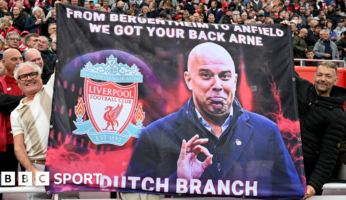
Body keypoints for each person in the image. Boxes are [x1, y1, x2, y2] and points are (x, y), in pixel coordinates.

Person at [124, 42, 304, 197]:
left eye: (224, 76)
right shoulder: (155, 134)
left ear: (234, 80)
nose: (217, 85)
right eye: (206, 75)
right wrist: (177, 182)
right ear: (188, 79)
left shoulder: (267, 131)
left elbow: (290, 193)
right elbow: (132, 196)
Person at [11, 61, 79, 200]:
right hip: (37, 166)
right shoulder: (16, 113)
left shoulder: (52, 89)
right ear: (17, 82)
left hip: (64, 163)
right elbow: (18, 147)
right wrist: (31, 169)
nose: (29, 78)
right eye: (23, 76)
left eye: (33, 74)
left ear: (41, 76)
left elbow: (64, 60)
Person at [294, 61, 346, 199]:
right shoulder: (302, 87)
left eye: (328, 76)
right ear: (315, 76)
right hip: (282, 166)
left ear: (335, 80)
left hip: (307, 177)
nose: (323, 79)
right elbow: (284, 68)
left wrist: (314, 185)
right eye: (320, 75)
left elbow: (329, 154)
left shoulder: (338, 116)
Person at [0, 49, 24, 200]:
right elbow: (0, 103)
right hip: (6, 144)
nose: (19, 61)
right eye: (14, 59)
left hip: (30, 143)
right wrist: (26, 98)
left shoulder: (30, 81)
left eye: (20, 58)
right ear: (4, 63)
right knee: (8, 184)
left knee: (34, 183)